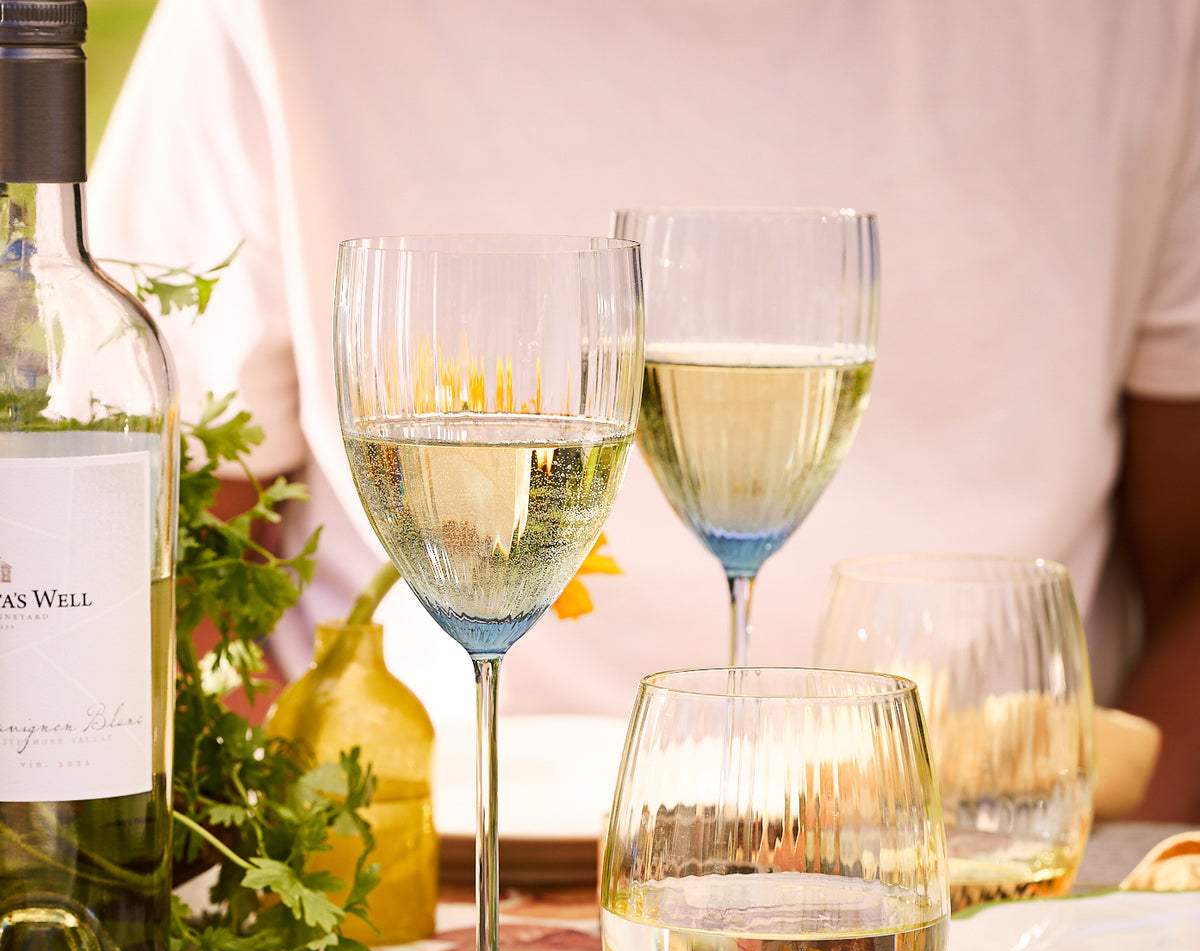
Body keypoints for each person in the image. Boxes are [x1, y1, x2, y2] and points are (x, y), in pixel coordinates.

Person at [89, 0, 1200, 821]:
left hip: (977, 873)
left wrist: (1106, 895)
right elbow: (159, 566)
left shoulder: (1137, 27)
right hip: (412, 880)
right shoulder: (272, 22)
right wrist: (301, 849)